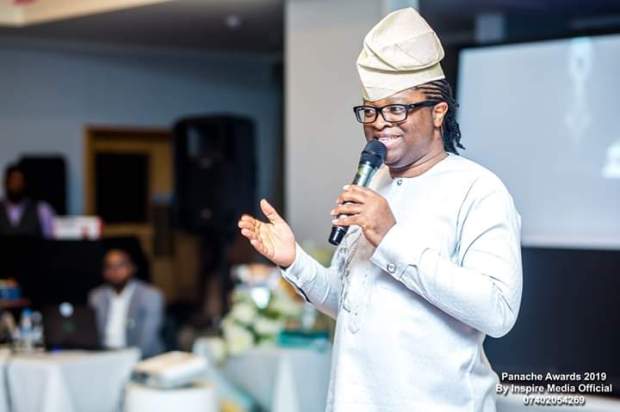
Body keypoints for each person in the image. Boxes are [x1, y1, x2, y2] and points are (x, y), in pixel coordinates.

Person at [238, 8, 522, 412]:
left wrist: (390, 238)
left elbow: (497, 312)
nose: (379, 123)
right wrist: (294, 260)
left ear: (438, 111)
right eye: (369, 111)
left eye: (396, 109)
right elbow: (349, 304)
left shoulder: (478, 190)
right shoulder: (374, 185)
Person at [88, 249, 164, 358]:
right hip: (104, 355)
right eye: (109, 266)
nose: (115, 270)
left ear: (132, 268)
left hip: (142, 357)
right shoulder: (96, 296)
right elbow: (91, 333)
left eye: (120, 265)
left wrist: (129, 360)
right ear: (104, 272)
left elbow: (147, 338)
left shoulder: (150, 295)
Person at [0, 163, 55, 237]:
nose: (16, 185)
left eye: (19, 181)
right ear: (5, 183)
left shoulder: (42, 209)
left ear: (25, 184)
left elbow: (50, 239)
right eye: (13, 180)